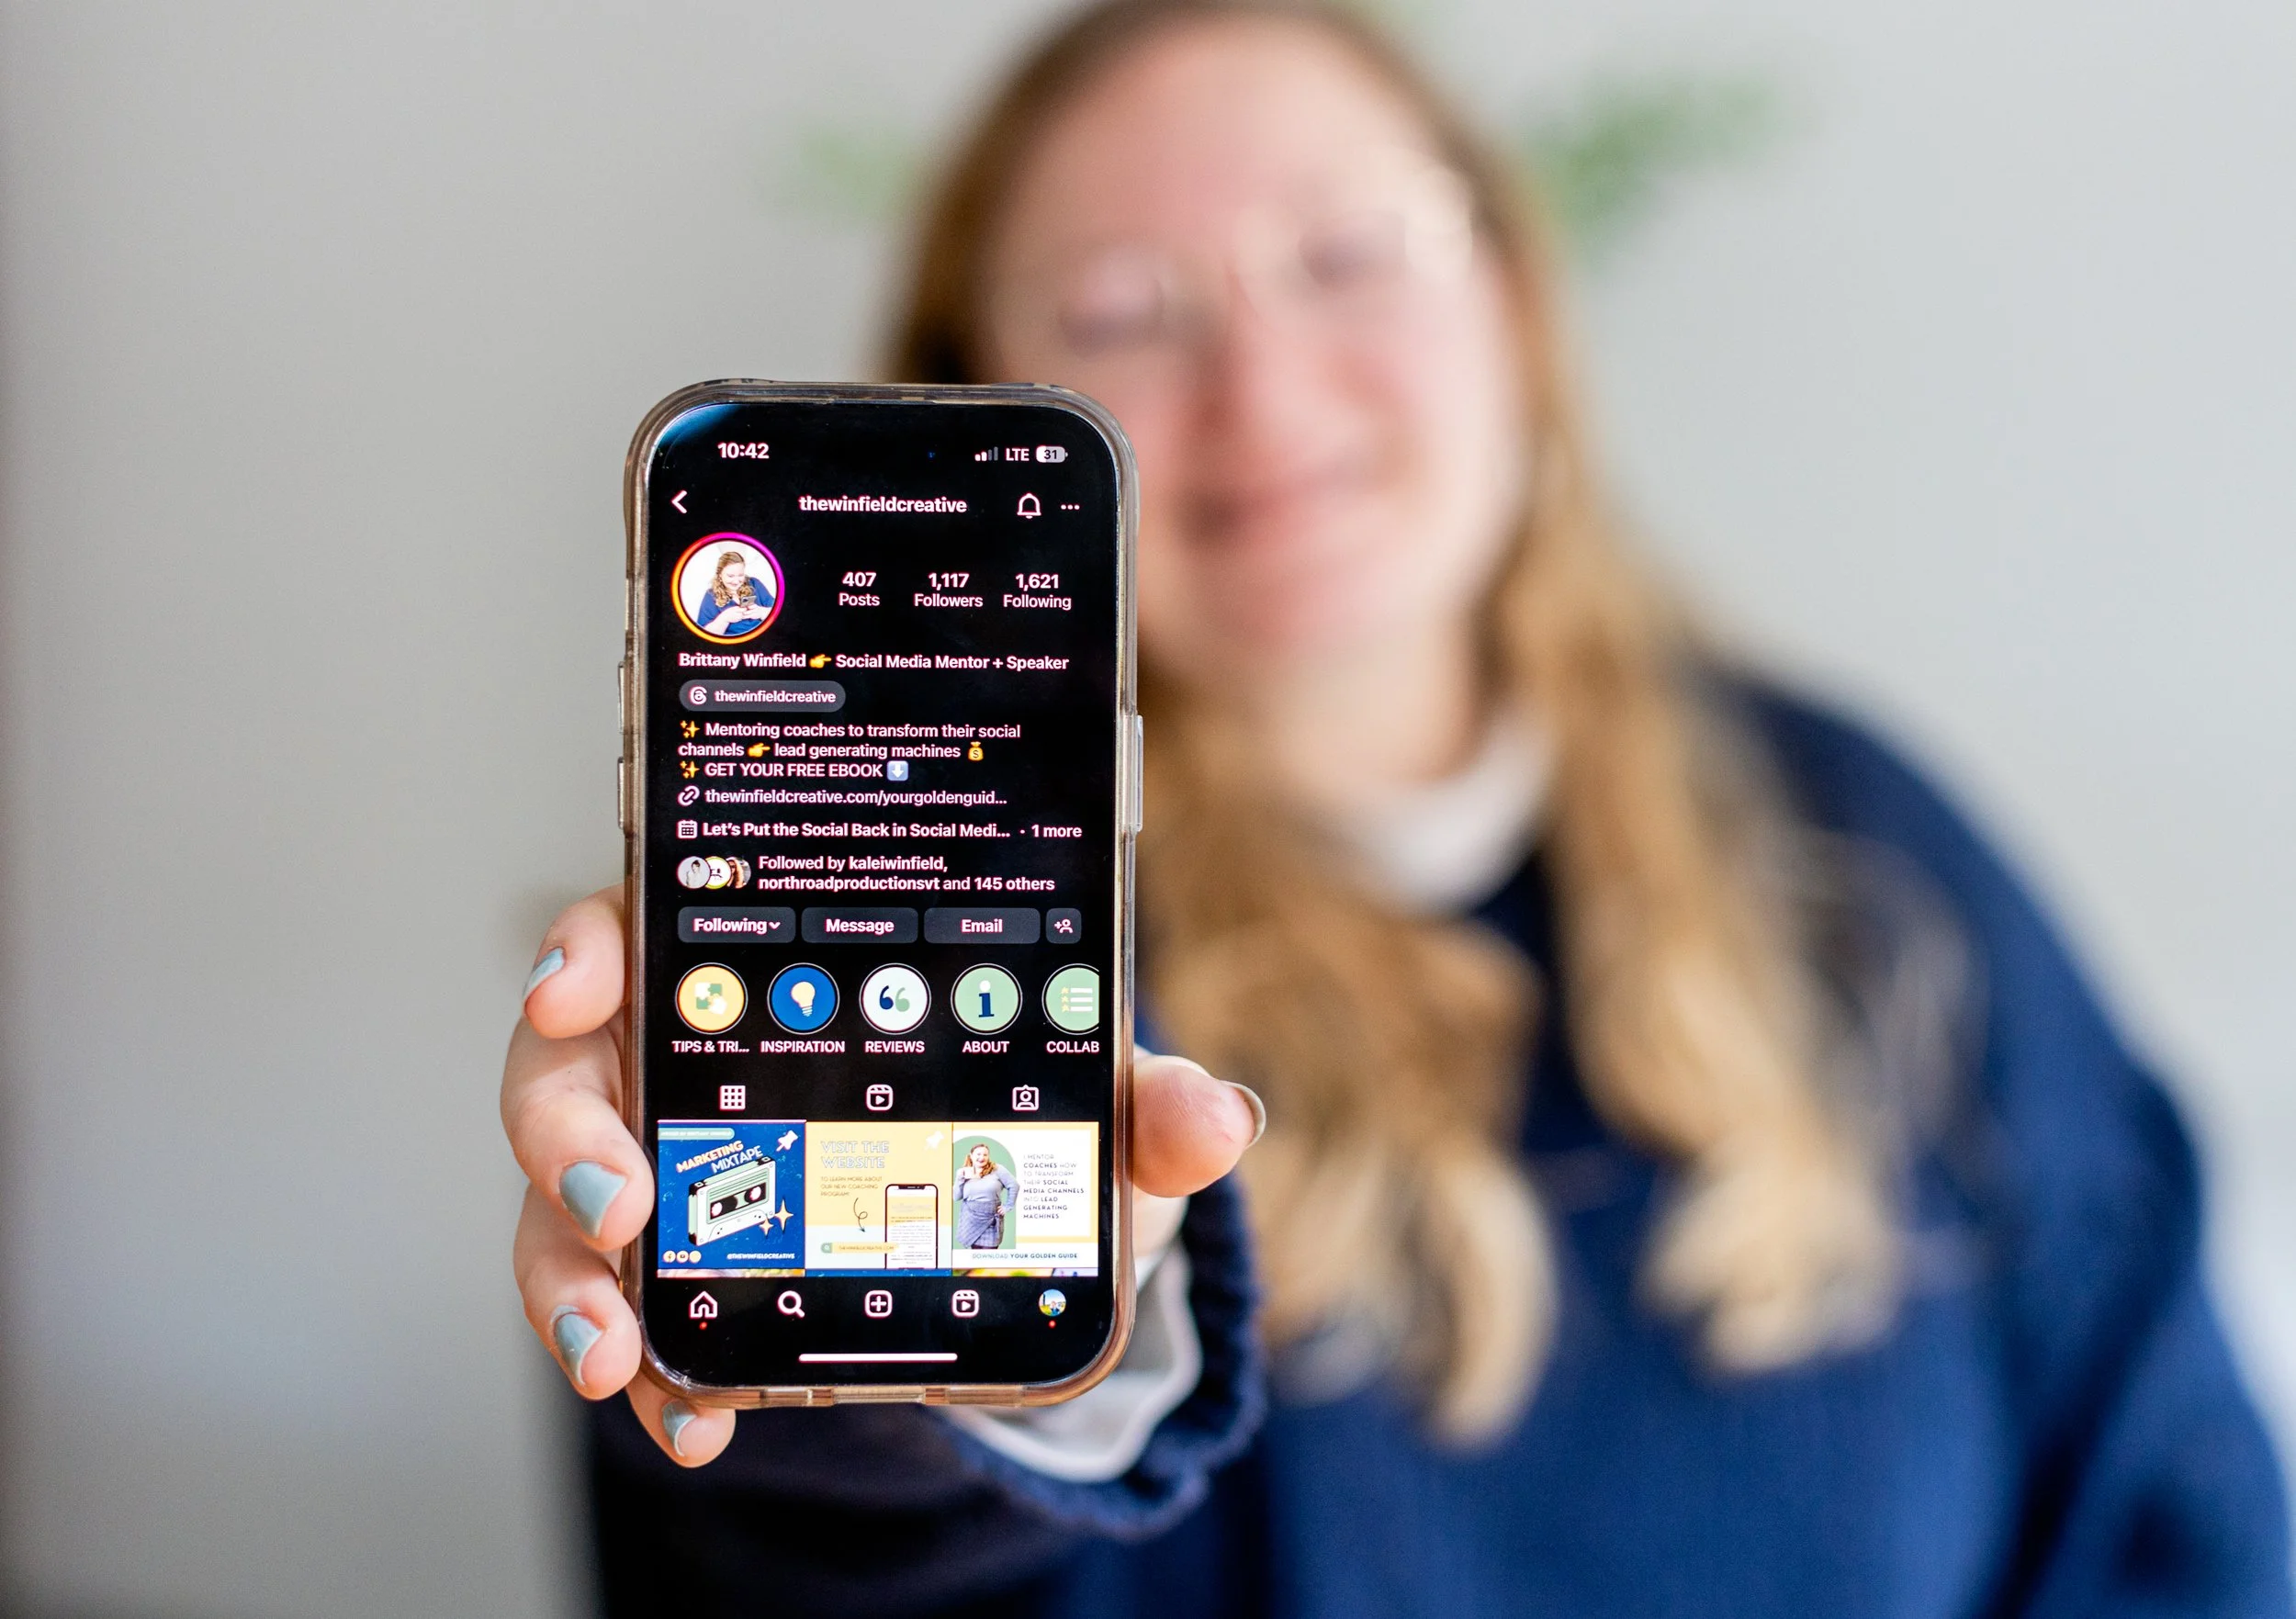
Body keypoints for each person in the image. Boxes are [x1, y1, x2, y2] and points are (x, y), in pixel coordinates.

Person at [501, 2, 2292, 1613]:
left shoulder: (1864, 845)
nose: (1260, 390)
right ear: (990, 406)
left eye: (1348, 255)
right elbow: (797, 1577)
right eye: (1123, 309)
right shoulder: (948, 932)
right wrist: (897, 1406)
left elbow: (2178, 1516)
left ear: (1512, 304)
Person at [692, 546, 772, 637]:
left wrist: (762, 612)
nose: (736, 581)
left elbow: (778, 612)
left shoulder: (754, 584)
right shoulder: (711, 596)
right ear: (720, 575)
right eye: (730, 576)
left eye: (740, 575)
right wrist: (723, 619)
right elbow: (703, 635)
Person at [957, 1141, 1020, 1250]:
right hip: (971, 1221)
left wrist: (1008, 1206)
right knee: (975, 1256)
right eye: (978, 1154)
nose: (982, 1157)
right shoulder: (965, 1173)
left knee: (988, 1256)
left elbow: (1014, 1185)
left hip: (991, 1221)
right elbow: (956, 1197)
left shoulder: (997, 1169)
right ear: (971, 1156)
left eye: (985, 1154)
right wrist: (959, 1179)